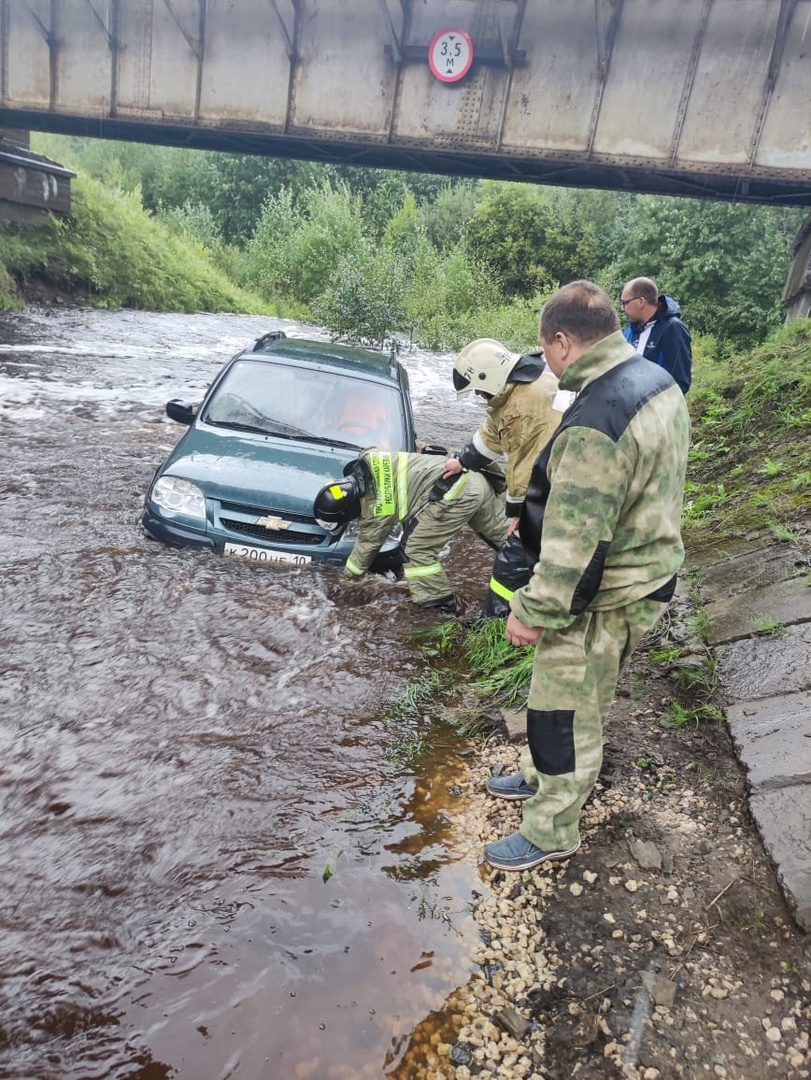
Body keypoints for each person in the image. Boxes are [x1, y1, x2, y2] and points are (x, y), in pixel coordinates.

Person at [483, 281, 690, 872]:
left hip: (608, 591)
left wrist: (531, 612)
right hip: (648, 568)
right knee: (581, 695)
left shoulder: (596, 420)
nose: (545, 360)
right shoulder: (654, 380)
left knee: (563, 709)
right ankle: (536, 775)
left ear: (564, 341)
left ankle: (552, 829)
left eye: (546, 348)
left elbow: (575, 551)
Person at [442, 338, 574, 618]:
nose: (478, 395)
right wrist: (462, 461)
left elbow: (523, 468)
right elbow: (492, 434)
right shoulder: (515, 391)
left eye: (478, 389)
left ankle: (495, 623)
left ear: (488, 377)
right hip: (559, 481)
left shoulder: (522, 408)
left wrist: (519, 513)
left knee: (511, 565)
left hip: (558, 489)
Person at [314, 448, 509, 613]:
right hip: (476, 480)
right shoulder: (368, 458)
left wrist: (347, 580)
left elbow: (368, 544)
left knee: (416, 550)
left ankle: (439, 607)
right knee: (509, 540)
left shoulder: (378, 505)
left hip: (455, 494)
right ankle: (534, 572)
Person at [620, 277, 692, 394]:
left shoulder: (673, 329)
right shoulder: (630, 330)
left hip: (658, 408)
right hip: (631, 408)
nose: (622, 308)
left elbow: (680, 381)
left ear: (641, 302)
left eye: (625, 303)